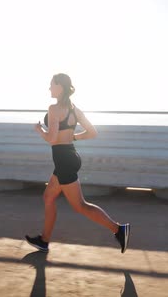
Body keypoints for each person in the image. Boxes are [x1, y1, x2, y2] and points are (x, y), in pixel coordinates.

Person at [25, 73, 130, 253]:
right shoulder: (75, 110)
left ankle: (118, 229)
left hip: (64, 161)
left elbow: (51, 139)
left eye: (51, 84)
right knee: (48, 197)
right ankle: (44, 240)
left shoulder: (54, 109)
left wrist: (39, 129)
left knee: (80, 206)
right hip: (68, 157)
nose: (49, 88)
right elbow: (92, 132)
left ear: (60, 87)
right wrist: (73, 136)